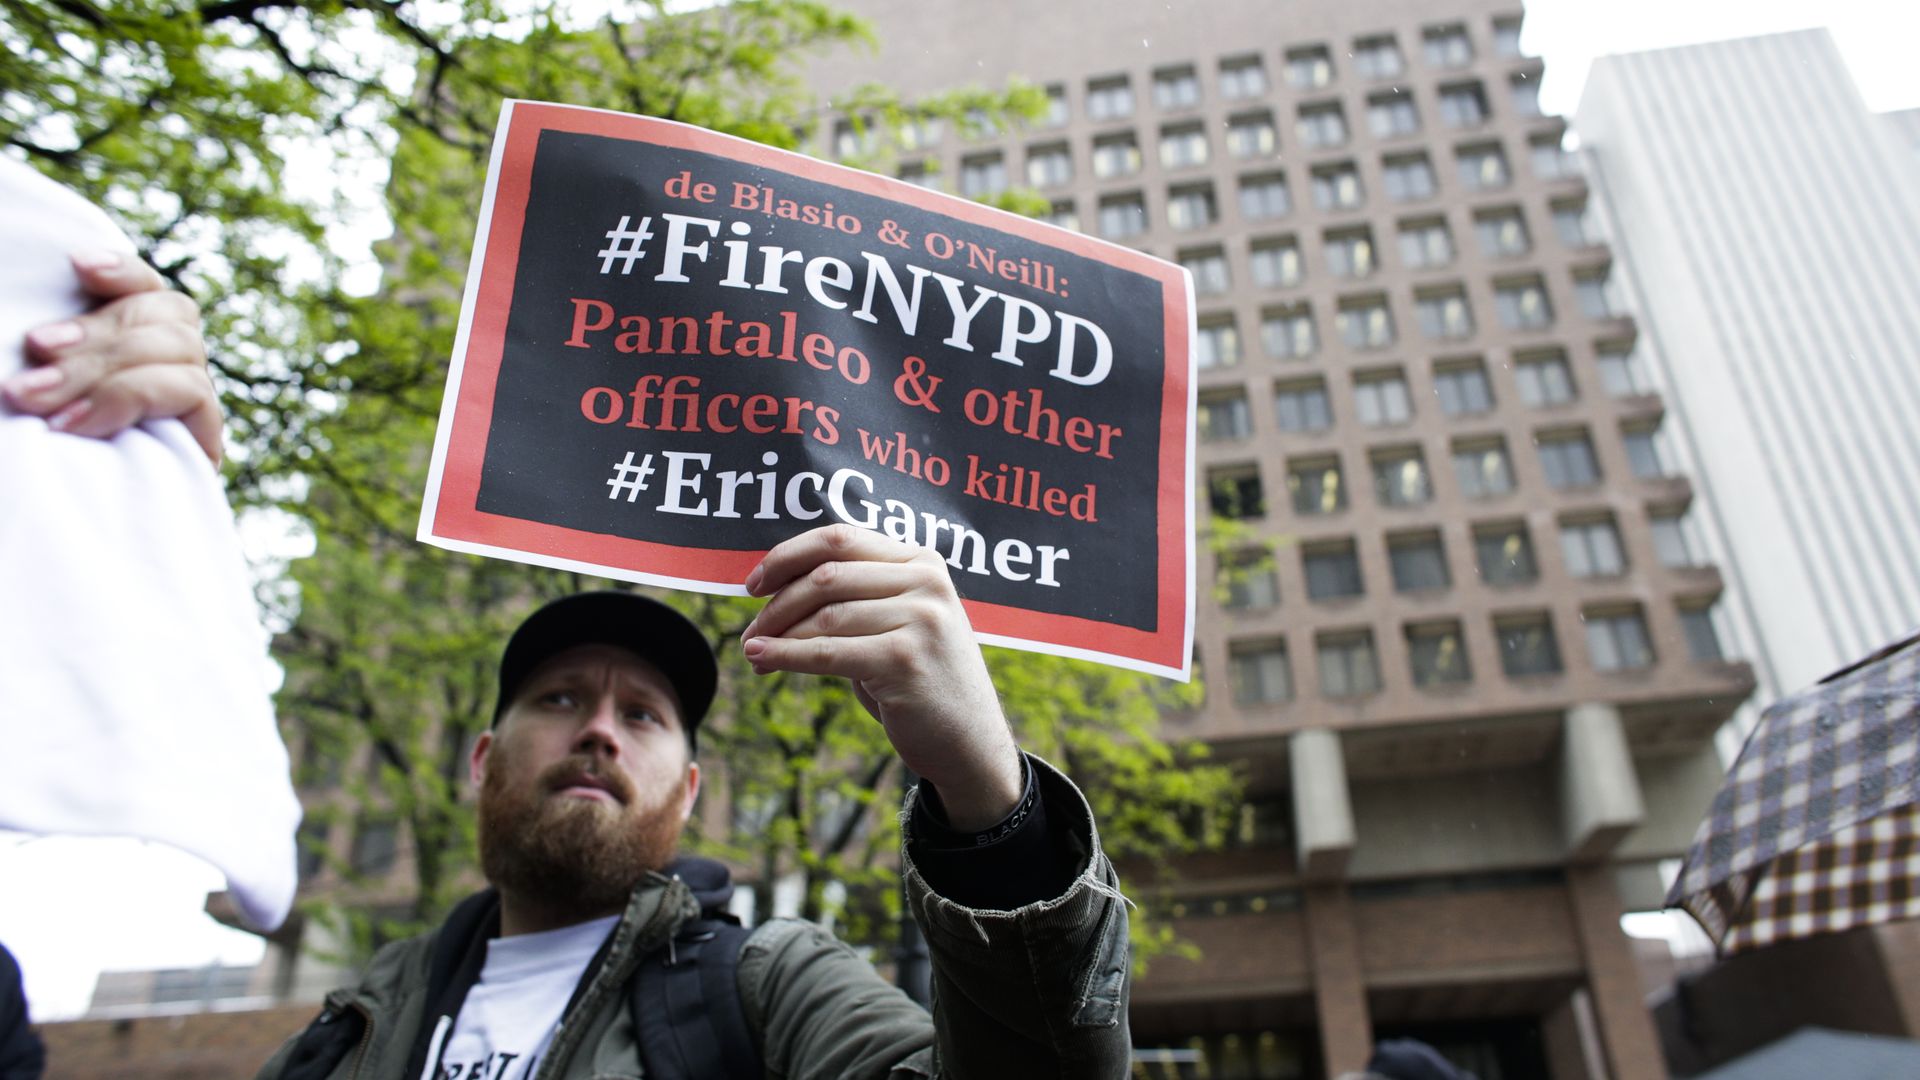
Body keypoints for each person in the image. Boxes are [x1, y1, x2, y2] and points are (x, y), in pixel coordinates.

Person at [256, 524, 1133, 1079]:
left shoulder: (770, 989)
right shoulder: (344, 1032)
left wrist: (986, 794)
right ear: (483, 760)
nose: (600, 731)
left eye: (641, 714)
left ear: (690, 790)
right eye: (560, 699)